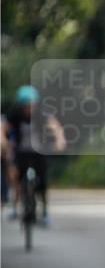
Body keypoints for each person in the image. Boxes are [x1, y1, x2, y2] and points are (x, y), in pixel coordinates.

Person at [4, 85, 66, 225]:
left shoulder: (42, 113)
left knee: (43, 181)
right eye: (26, 106)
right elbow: (3, 128)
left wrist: (59, 140)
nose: (28, 109)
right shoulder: (15, 114)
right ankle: (15, 207)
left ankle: (44, 211)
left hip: (39, 150)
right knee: (17, 179)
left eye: (31, 105)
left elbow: (55, 127)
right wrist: (3, 141)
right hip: (20, 151)